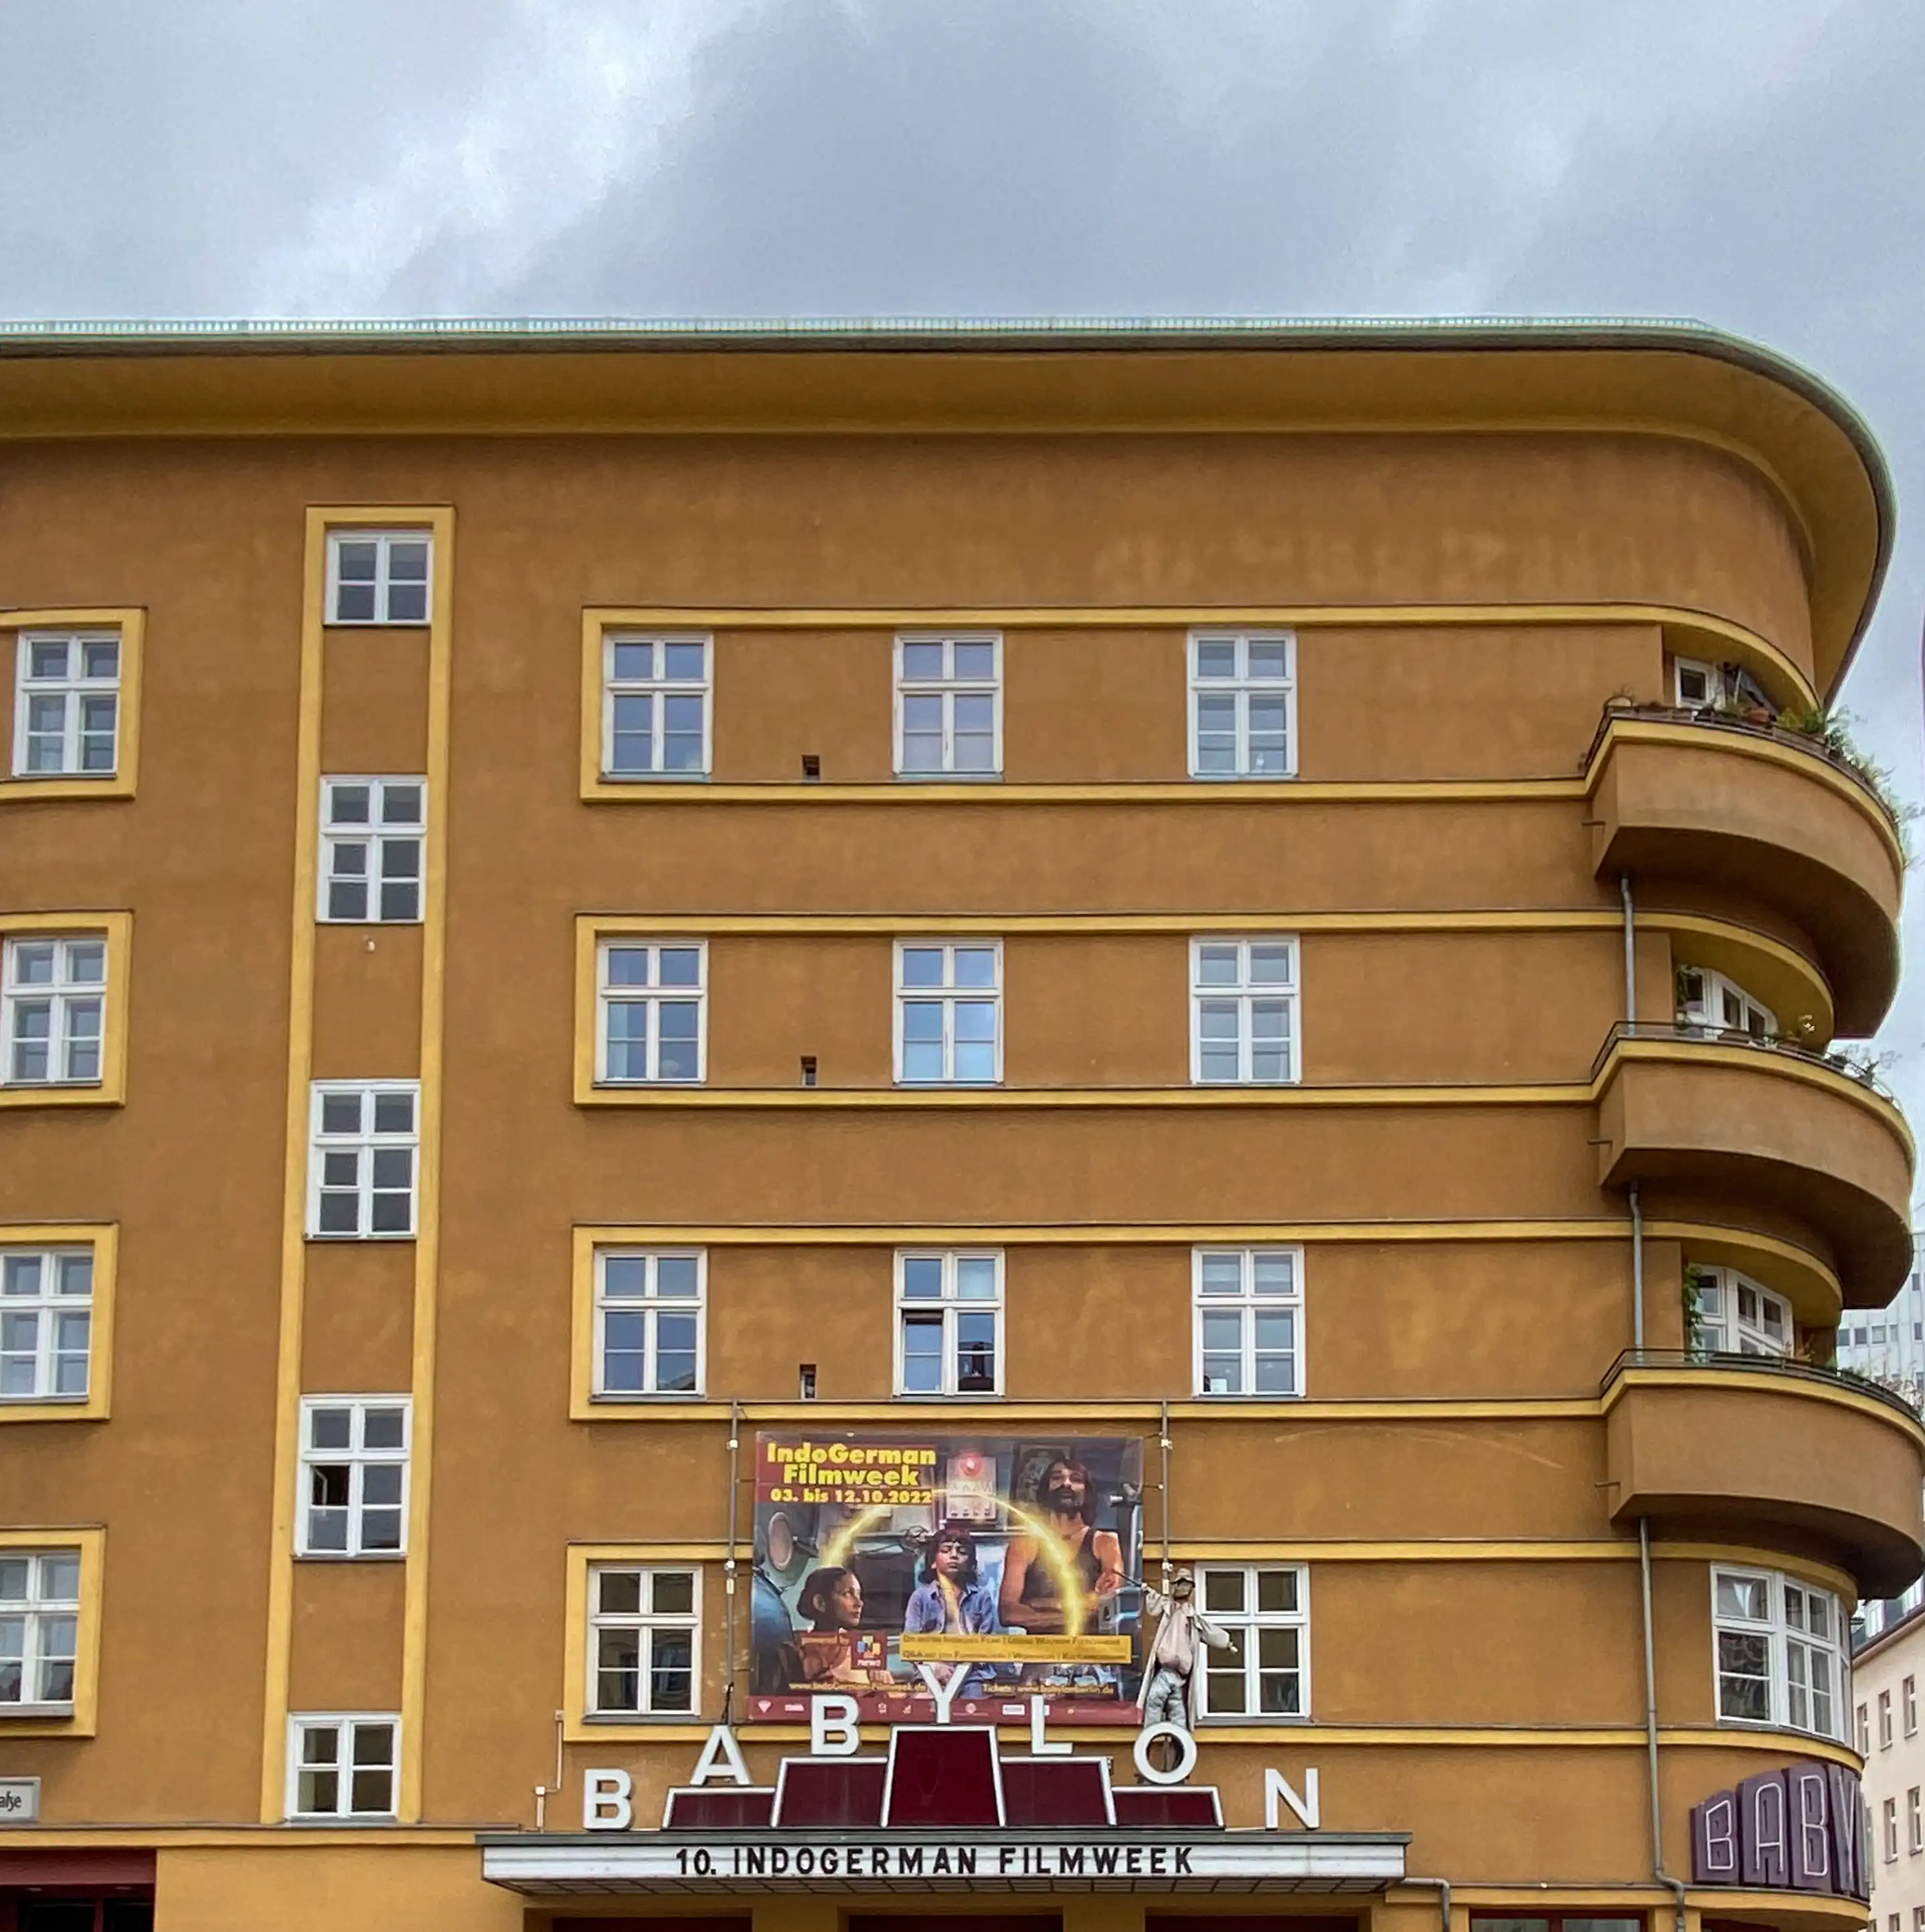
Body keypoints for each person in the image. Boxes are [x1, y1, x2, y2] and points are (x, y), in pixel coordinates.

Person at [999, 1456, 1124, 1636]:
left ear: (1087, 1491)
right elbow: (1008, 1613)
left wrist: (1040, 1604)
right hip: (1040, 1658)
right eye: (1057, 1477)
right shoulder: (1023, 1545)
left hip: (1091, 1657)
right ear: (1046, 1489)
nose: (1066, 1484)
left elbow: (1107, 1605)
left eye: (1076, 1479)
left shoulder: (1106, 1542)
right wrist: (1076, 1613)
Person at [902, 1524, 999, 1698]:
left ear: (971, 1564)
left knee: (974, 1708)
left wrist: (960, 1670)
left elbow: (986, 1645)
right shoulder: (920, 1597)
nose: (954, 1555)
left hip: (973, 1676)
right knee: (923, 1705)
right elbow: (910, 1645)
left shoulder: (982, 1598)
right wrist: (935, 1666)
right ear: (933, 1561)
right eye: (946, 1550)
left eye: (962, 1552)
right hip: (930, 1673)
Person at [1139, 1569, 1232, 1735]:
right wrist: (1148, 1591)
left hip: (1178, 1672)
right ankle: (1161, 1739)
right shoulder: (1169, 1607)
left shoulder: (1192, 1616)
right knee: (1170, 1706)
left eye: (1187, 1585)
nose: (1183, 1588)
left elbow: (1209, 1631)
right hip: (1168, 1669)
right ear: (1175, 1586)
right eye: (1181, 1584)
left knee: (1162, 1702)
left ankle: (1171, 1741)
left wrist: (1226, 1642)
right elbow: (1155, 1605)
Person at [794, 1565, 890, 1688]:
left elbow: (890, 1701)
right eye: (847, 1594)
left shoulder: (866, 1649)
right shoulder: (795, 1650)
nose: (859, 1603)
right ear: (820, 1603)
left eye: (859, 1595)